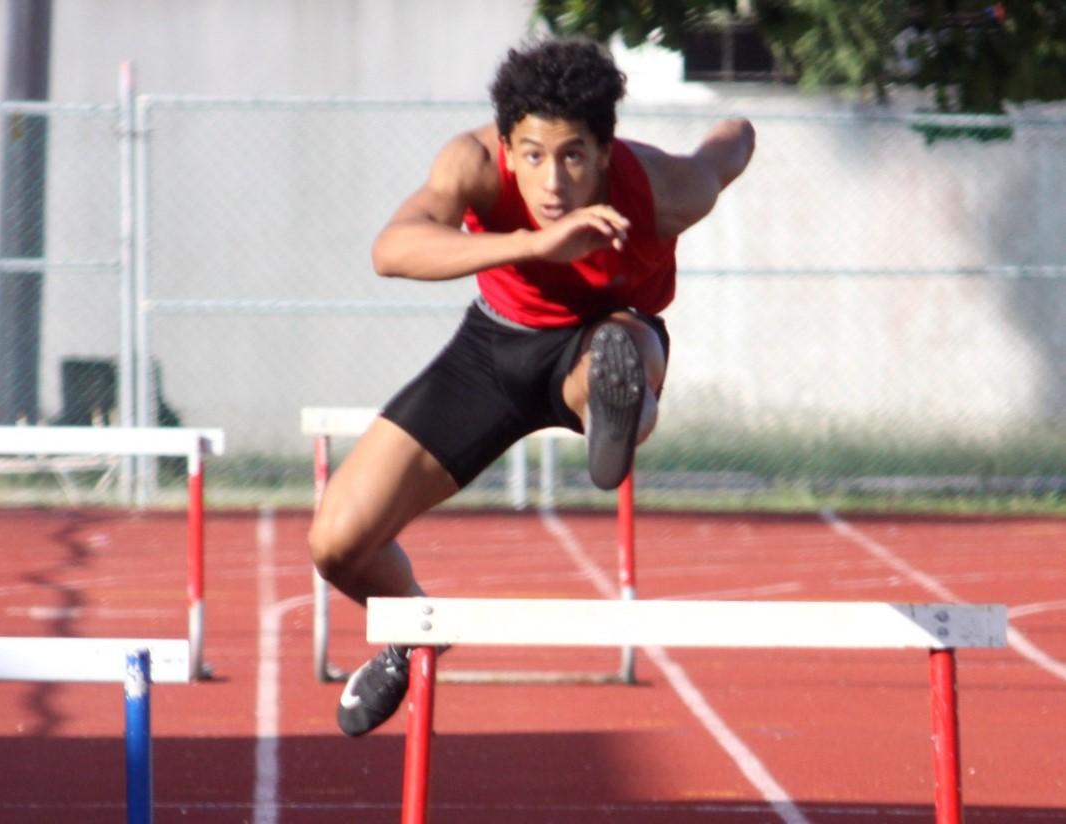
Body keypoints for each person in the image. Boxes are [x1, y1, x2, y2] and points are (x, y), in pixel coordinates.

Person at [309, 37, 755, 737]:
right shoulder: (474, 164)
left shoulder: (663, 190)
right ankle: (412, 636)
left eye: (573, 156)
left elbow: (726, 151)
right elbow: (390, 249)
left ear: (605, 151)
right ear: (508, 145)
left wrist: (735, 128)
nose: (551, 183)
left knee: (619, 349)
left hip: (599, 335)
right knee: (335, 543)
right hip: (492, 350)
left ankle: (618, 412)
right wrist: (530, 245)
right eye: (533, 155)